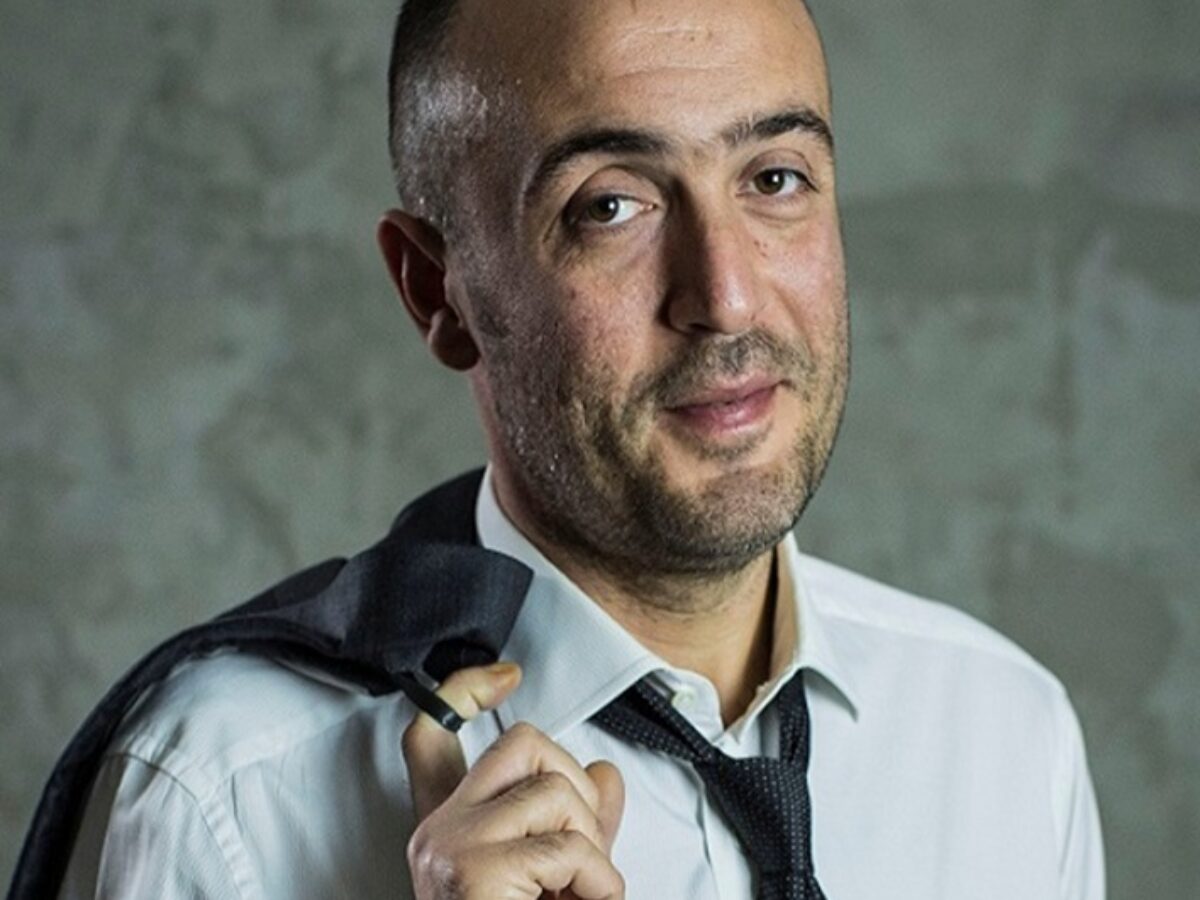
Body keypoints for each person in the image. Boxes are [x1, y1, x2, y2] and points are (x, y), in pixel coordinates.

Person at [13, 0, 1104, 897]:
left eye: (774, 178)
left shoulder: (1006, 733)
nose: (725, 298)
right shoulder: (221, 795)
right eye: (612, 206)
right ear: (437, 290)